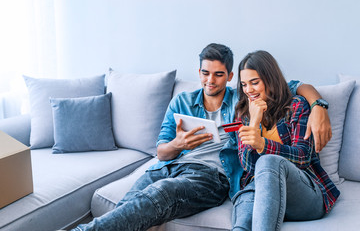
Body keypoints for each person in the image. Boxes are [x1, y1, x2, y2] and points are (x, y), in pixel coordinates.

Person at [71, 44, 332, 231]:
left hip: (211, 175)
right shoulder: (190, 102)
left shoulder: (245, 102)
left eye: (219, 74)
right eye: (205, 73)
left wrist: (318, 105)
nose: (211, 80)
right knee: (132, 203)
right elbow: (161, 151)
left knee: (163, 192)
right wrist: (178, 144)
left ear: (228, 77)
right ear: (198, 73)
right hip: (172, 166)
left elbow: (292, 88)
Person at [232, 50, 340, 231]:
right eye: (244, 84)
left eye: (255, 82)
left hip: (304, 194)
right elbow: (247, 166)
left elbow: (303, 157)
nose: (248, 90)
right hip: (261, 192)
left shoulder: (296, 105)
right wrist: (254, 121)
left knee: (268, 161)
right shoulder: (243, 113)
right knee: (242, 222)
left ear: (270, 79)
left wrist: (262, 144)